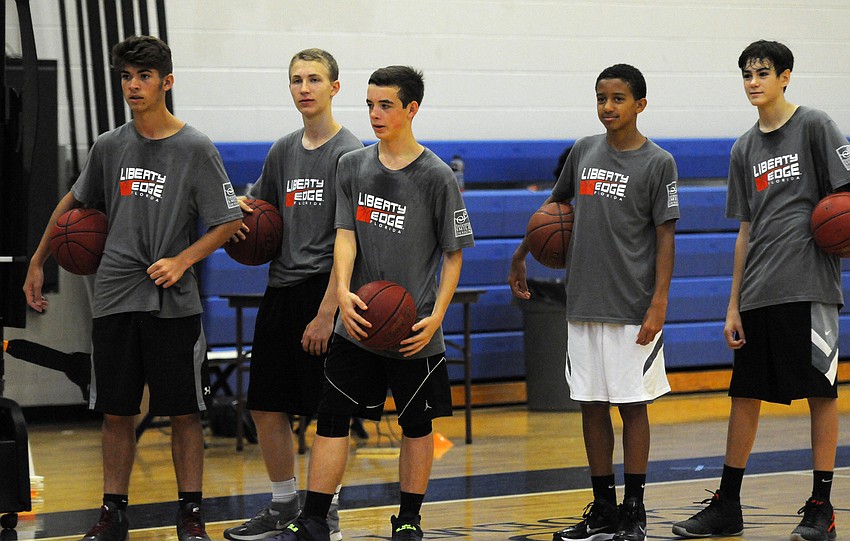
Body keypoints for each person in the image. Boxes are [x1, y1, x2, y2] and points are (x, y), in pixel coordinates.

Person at [22, 35, 243, 541]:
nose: (133, 86)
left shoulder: (196, 147)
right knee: (115, 411)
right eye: (126, 76)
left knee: (185, 413)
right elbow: (72, 205)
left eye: (144, 77)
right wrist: (39, 259)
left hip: (173, 303)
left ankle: (190, 513)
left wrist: (182, 260)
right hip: (115, 298)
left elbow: (227, 221)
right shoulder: (109, 145)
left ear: (167, 82)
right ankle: (112, 512)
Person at [270, 65, 474, 541]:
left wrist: (437, 317)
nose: (375, 114)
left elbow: (454, 255)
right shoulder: (354, 165)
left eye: (385, 105)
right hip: (358, 321)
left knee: (416, 426)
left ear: (411, 109)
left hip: (413, 327)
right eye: (369, 105)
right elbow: (345, 235)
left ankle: (408, 519)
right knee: (332, 418)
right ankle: (315, 518)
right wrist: (341, 292)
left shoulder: (437, 176)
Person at [671, 40, 848, 541]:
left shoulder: (815, 125)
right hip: (758, 292)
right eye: (746, 74)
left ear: (786, 76)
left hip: (810, 286)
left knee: (821, 392)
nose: (753, 81)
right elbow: (745, 230)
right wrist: (733, 303)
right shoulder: (743, 148)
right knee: (744, 394)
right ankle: (728, 504)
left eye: (763, 72)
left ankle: (822, 507)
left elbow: (846, 196)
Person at [509, 63, 679, 541]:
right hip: (581, 301)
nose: (608, 106)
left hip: (632, 306)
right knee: (590, 405)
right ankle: (604, 507)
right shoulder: (583, 151)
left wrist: (659, 303)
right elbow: (553, 211)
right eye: (601, 97)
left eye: (618, 98)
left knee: (633, 407)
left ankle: (635, 510)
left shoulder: (658, 163)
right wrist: (521, 254)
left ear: (640, 104)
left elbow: (666, 239)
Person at [222, 48, 363, 541]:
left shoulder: (351, 153)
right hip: (280, 288)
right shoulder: (282, 150)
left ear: (334, 88)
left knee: (327, 410)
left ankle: (327, 512)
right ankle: (283, 504)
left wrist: (328, 311)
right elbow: (260, 207)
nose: (304, 88)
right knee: (264, 404)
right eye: (297, 80)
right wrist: (242, 207)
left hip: (324, 290)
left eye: (314, 80)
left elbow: (353, 242)